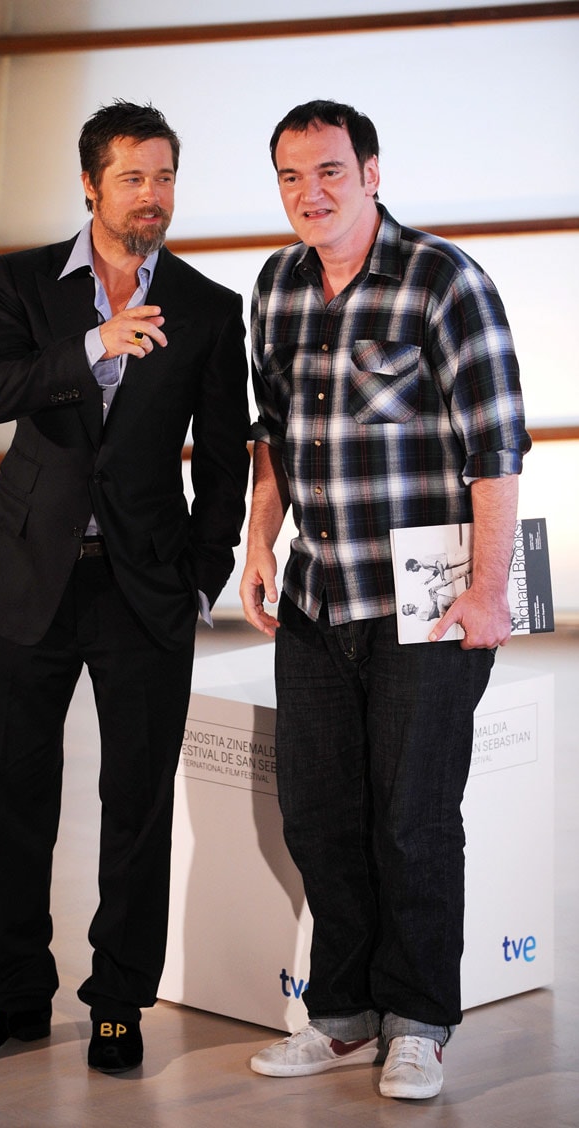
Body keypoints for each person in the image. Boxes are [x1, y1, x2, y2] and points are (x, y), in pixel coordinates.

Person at [0, 100, 250, 1074]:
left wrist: (204, 572)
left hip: (143, 586)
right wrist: (93, 349)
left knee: (135, 802)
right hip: (28, 574)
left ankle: (119, 1000)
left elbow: (228, 458)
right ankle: (12, 999)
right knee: (19, 796)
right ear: (90, 184)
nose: (152, 197)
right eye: (132, 178)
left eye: (163, 177)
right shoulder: (24, 281)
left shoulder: (207, 307)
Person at [239, 99, 530, 1100]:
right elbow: (268, 439)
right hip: (319, 598)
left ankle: (418, 1020)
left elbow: (496, 451)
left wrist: (490, 595)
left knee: (411, 817)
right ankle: (344, 1016)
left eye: (327, 171)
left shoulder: (442, 280)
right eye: (288, 176)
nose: (307, 194)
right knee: (319, 813)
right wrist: (257, 545)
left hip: (429, 608)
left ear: (370, 171)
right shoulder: (274, 287)